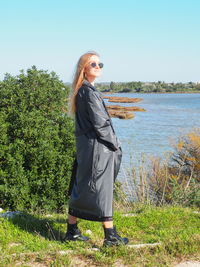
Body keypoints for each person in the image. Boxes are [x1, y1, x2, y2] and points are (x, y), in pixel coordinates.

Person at [64, 51, 129, 247]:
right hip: (97, 148)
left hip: (88, 147)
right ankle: (110, 236)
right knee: (102, 188)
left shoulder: (83, 90)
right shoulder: (88, 92)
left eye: (100, 64)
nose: (98, 67)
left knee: (81, 185)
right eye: (93, 64)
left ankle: (71, 231)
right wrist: (115, 144)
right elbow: (101, 124)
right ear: (83, 68)